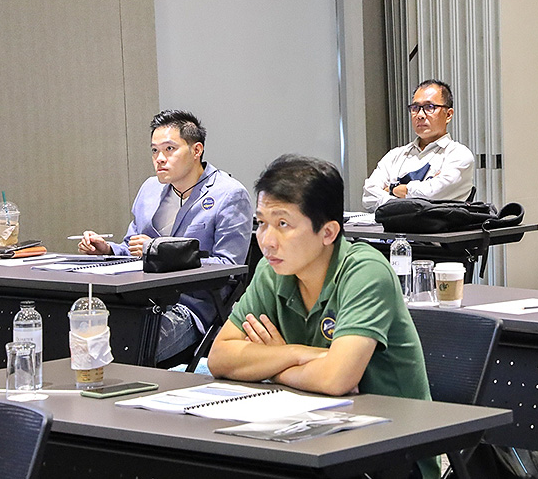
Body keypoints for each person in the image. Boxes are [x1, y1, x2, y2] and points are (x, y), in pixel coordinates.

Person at [208, 154, 437, 479]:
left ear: (328, 232)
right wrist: (298, 354)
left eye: (283, 224)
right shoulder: (272, 271)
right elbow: (220, 357)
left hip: (390, 454)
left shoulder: (365, 272)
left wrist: (270, 367)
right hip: (306, 437)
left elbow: (336, 379)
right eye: (261, 223)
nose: (266, 241)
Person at [79, 110, 253, 363]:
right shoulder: (150, 189)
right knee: (82, 336)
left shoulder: (229, 194)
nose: (160, 158)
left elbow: (230, 266)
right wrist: (108, 249)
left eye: (170, 149)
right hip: (139, 297)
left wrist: (161, 251)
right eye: (154, 151)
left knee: (127, 350)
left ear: (196, 150)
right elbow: (133, 247)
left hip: (189, 305)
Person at [362, 79, 475, 211]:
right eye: (415, 108)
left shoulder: (458, 154)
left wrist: (392, 189)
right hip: (392, 224)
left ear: (448, 115)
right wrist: (404, 198)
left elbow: (434, 194)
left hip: (437, 224)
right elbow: (368, 196)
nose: (420, 115)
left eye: (429, 107)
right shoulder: (395, 155)